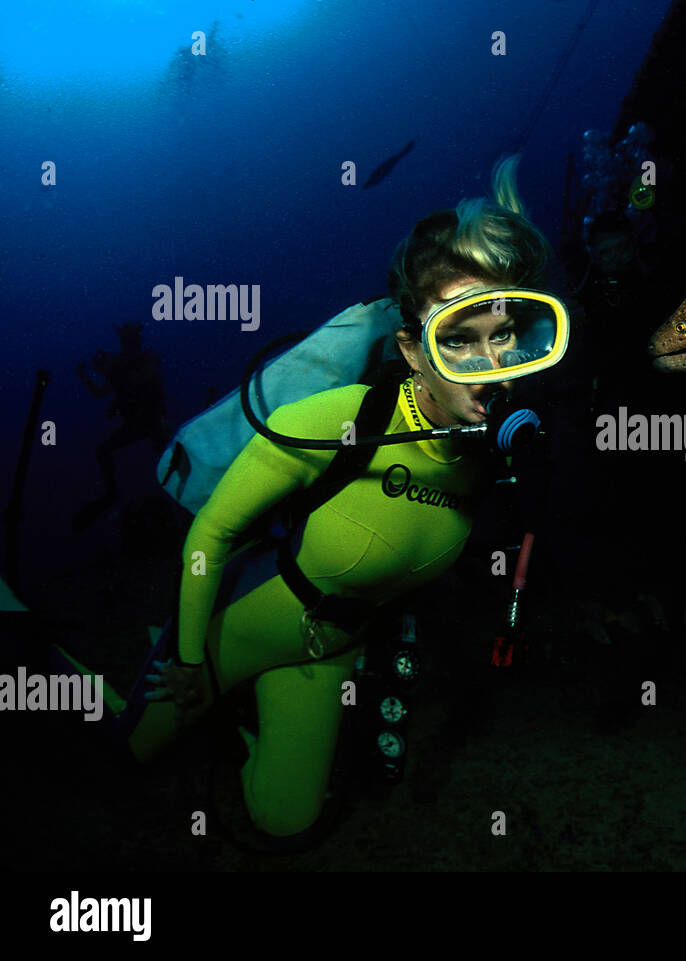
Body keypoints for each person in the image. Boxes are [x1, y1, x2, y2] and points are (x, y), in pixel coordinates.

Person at [123, 154, 563, 845]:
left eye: (503, 335)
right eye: (456, 340)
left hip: (329, 651)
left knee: (286, 820)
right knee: (127, 753)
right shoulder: (339, 421)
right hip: (240, 628)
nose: (490, 372)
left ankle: (230, 722)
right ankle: (159, 659)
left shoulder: (494, 462)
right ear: (412, 351)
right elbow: (210, 532)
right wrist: (186, 657)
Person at [73, 323, 171, 529]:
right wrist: (85, 376)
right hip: (135, 423)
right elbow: (100, 393)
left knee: (169, 454)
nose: (126, 343)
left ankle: (182, 490)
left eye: (129, 339)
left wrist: (112, 371)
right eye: (124, 339)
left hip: (152, 420)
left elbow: (141, 379)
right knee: (102, 450)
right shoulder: (118, 364)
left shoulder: (146, 359)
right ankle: (112, 492)